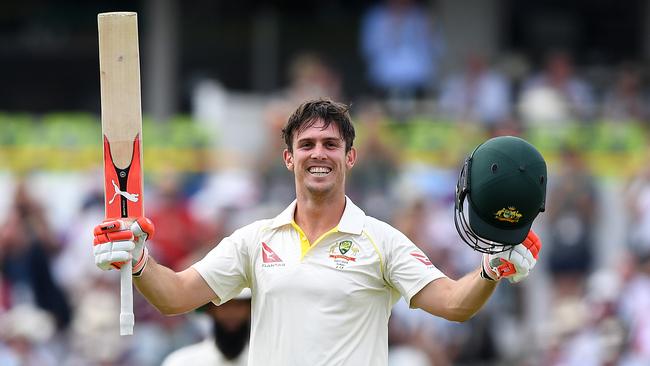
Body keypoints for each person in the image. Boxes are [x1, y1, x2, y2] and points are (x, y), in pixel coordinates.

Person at [92, 99, 546, 366]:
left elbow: (452, 303)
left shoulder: (380, 240)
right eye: (306, 145)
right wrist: (138, 260)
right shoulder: (257, 239)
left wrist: (490, 269)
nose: (318, 154)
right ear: (288, 158)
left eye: (331, 145)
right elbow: (174, 296)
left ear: (350, 157)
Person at [161, 288, 251, 366]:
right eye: (224, 305)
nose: (231, 313)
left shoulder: (262, 360)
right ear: (211, 310)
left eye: (239, 305)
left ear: (250, 309)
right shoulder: (181, 362)